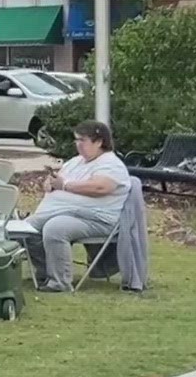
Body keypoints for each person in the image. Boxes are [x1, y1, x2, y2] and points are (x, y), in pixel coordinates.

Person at [26, 120, 130, 293]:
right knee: (27, 228)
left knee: (55, 228)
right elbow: (59, 178)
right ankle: (45, 272)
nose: (78, 145)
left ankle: (60, 283)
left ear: (99, 142)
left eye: (83, 140)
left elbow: (101, 187)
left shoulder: (111, 164)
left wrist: (65, 186)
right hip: (66, 212)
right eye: (76, 140)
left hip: (96, 218)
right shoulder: (76, 162)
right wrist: (50, 182)